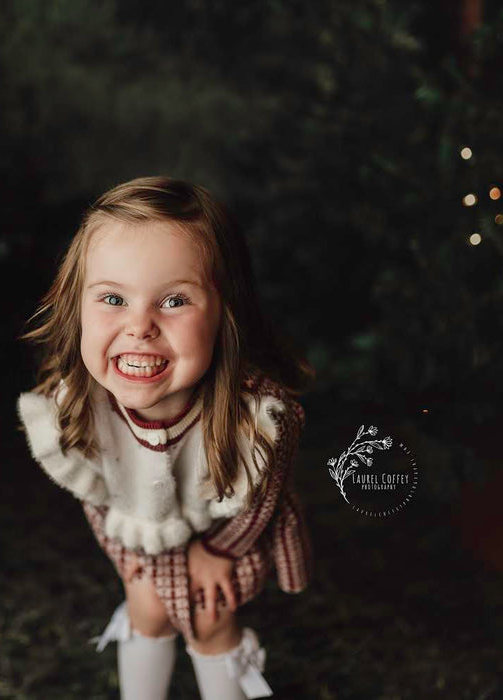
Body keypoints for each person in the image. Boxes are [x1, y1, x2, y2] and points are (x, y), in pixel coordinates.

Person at [16, 176, 315, 700]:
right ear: (75, 306)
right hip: (142, 528)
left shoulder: (258, 416)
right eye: (112, 298)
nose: (140, 327)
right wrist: (122, 546)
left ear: (226, 314)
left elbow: (262, 499)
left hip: (229, 531)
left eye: (174, 301)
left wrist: (219, 552)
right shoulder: (81, 404)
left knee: (207, 613)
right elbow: (97, 488)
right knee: (147, 603)